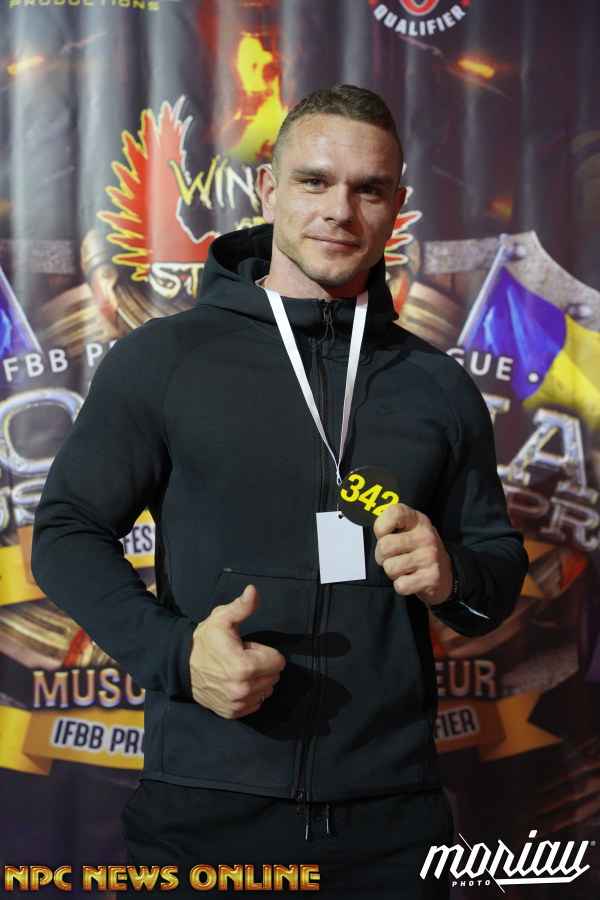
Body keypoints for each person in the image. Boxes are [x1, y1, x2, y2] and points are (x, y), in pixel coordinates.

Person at [32, 85, 528, 897]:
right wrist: (177, 655)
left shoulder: (437, 386)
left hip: (392, 821)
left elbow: (495, 571)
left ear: (396, 206)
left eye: (369, 189)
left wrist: (452, 575)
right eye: (314, 181)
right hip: (204, 812)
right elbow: (65, 531)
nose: (341, 210)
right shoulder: (165, 359)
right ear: (268, 188)